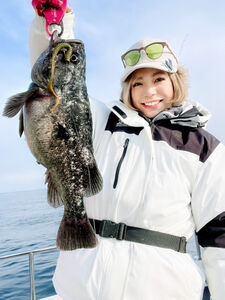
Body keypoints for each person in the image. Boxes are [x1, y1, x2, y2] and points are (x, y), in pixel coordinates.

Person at [29, 2, 225, 300]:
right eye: (138, 82)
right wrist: (55, 20)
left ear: (176, 82)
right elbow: (56, 84)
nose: (149, 92)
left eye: (159, 79)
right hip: (81, 286)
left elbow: (218, 233)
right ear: (127, 89)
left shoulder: (204, 148)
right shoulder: (103, 122)